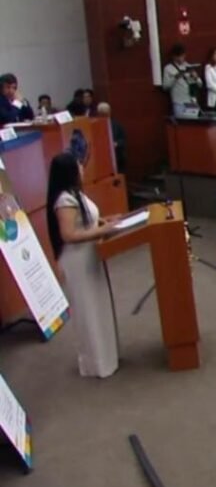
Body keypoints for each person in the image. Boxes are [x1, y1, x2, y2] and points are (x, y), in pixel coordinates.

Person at [46, 152, 121, 378]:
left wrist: (104, 222)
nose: (82, 168)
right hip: (76, 260)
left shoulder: (75, 193)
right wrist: (101, 231)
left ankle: (108, 357)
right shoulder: (64, 200)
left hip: (89, 256)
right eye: (78, 165)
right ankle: (96, 364)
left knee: (98, 305)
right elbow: (68, 234)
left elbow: (86, 220)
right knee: (88, 310)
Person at [162, 43, 201, 116]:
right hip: (179, 102)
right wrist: (175, 77)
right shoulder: (168, 68)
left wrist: (196, 78)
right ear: (174, 56)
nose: (181, 58)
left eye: (182, 56)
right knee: (182, 121)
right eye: (179, 56)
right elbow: (165, 86)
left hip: (192, 101)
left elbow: (200, 85)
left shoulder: (188, 66)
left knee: (193, 121)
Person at [96, 102, 127, 171]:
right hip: (101, 158)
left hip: (116, 157)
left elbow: (123, 140)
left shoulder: (117, 125)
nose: (104, 117)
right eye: (102, 114)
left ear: (109, 113)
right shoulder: (95, 126)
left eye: (105, 114)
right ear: (99, 114)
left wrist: (116, 144)